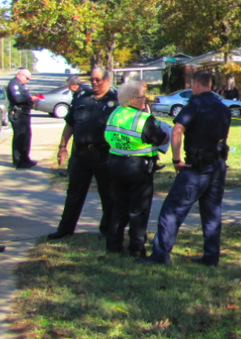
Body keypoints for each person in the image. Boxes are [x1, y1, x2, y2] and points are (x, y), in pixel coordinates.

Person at [144, 71, 231, 266]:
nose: (191, 88)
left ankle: (160, 255)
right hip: (217, 166)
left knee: (172, 210)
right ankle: (211, 257)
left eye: (192, 85)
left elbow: (177, 130)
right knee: (211, 212)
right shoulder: (223, 108)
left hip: (196, 167)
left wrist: (176, 160)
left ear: (197, 84)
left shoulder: (195, 106)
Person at [48, 67, 118, 241]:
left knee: (108, 195)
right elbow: (70, 125)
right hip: (81, 155)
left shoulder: (115, 102)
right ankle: (65, 229)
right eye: (92, 79)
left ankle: (107, 229)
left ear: (107, 80)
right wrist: (62, 147)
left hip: (104, 154)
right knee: (74, 194)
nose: (94, 83)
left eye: (98, 80)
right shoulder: (82, 99)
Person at [104, 80, 169, 258]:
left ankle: (113, 244)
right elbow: (160, 138)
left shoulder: (115, 114)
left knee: (119, 207)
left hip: (116, 164)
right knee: (139, 211)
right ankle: (137, 249)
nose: (145, 100)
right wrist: (150, 118)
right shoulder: (142, 119)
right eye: (143, 97)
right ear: (134, 100)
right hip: (138, 168)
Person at [6, 67, 38, 169]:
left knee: (26, 137)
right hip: (18, 114)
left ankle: (25, 158)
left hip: (25, 114)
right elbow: (17, 98)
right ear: (20, 75)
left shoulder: (22, 85)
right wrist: (30, 98)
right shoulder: (14, 84)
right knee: (19, 138)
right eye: (27, 78)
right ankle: (18, 161)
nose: (27, 80)